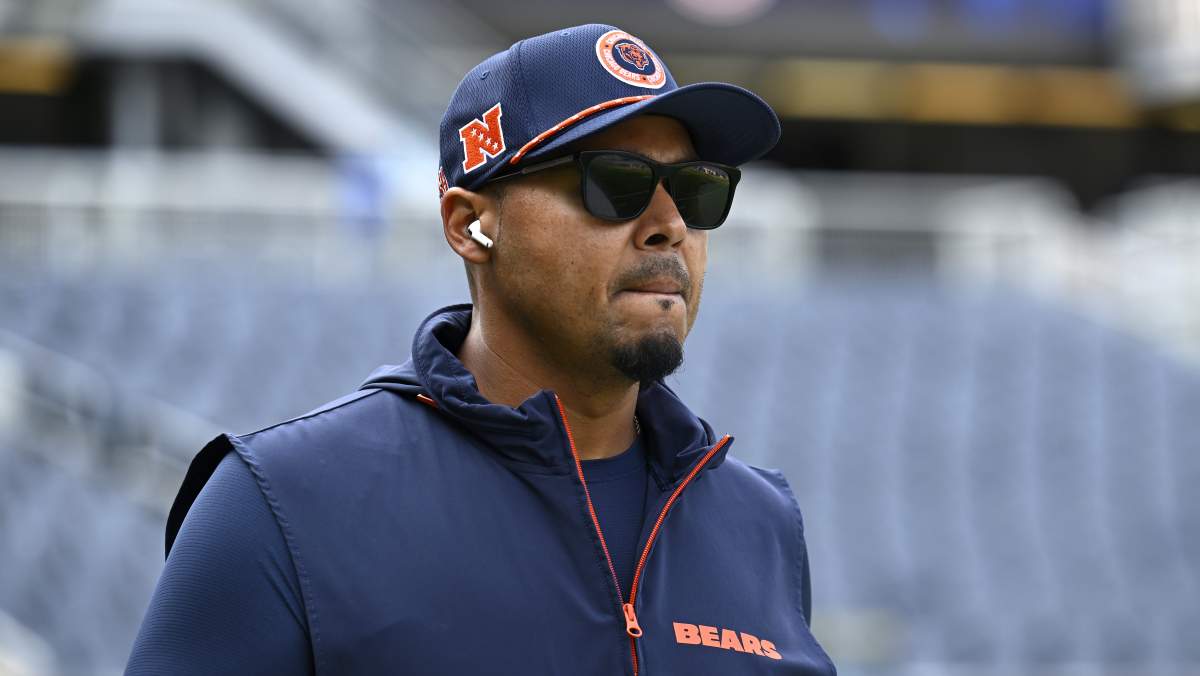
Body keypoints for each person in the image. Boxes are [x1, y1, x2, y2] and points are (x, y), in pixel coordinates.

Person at [126, 23, 837, 675]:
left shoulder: (760, 522)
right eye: (615, 183)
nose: (669, 224)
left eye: (696, 189)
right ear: (470, 225)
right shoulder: (281, 502)